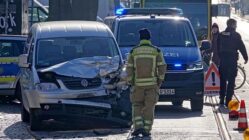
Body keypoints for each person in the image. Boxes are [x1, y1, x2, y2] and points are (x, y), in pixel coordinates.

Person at [126, 28, 166, 137]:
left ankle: (138, 127)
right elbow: (162, 67)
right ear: (149, 38)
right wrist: (159, 81)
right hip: (152, 85)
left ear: (140, 38)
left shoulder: (133, 51)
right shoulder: (156, 51)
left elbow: (129, 68)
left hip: (137, 85)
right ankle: (147, 130)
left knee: (136, 105)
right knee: (149, 107)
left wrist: (131, 81)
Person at [218, 18, 248, 106]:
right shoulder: (236, 35)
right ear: (232, 25)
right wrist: (245, 57)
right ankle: (228, 101)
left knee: (222, 80)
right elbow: (242, 47)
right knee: (231, 81)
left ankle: (221, 99)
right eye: (235, 24)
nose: (236, 26)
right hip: (232, 61)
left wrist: (221, 56)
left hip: (223, 61)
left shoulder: (221, 34)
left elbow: (217, 46)